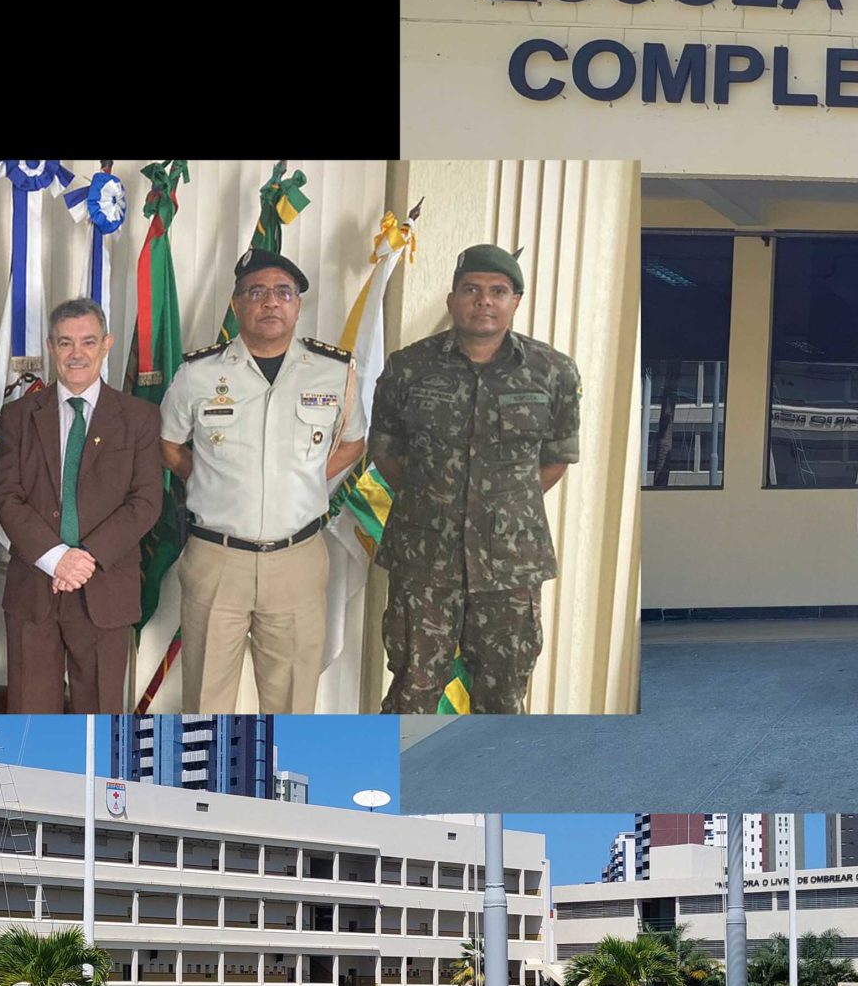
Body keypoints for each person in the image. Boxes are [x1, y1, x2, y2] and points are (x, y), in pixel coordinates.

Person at [371, 244, 582, 715]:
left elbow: (555, 460)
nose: (483, 300)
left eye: (497, 291)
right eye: (471, 289)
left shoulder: (553, 372)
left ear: (515, 302)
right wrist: (438, 503)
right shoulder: (407, 367)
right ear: (452, 300)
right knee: (412, 690)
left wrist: (495, 508)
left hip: (510, 566)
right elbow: (386, 453)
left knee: (503, 698)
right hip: (424, 562)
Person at [158, 251, 361, 713]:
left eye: (283, 293)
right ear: (235, 305)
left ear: (297, 306)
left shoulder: (334, 371)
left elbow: (352, 443)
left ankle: (280, 786)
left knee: (291, 702)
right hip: (217, 559)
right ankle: (204, 787)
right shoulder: (199, 373)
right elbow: (169, 446)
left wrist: (305, 481)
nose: (271, 302)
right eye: (257, 292)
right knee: (206, 700)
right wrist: (213, 478)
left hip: (297, 561)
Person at [0, 298, 167, 714]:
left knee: (102, 716)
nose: (77, 354)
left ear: (106, 344)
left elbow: (146, 501)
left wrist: (85, 558)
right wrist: (57, 560)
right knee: (30, 718)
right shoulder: (18, 415)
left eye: (88, 342)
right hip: (35, 588)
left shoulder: (139, 417)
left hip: (104, 588)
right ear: (51, 347)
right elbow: (6, 495)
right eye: (66, 343)